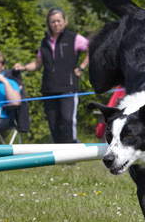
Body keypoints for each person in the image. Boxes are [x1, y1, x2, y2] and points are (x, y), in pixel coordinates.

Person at [15, 8, 89, 144]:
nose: (56, 24)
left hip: (68, 88)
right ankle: (58, 156)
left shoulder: (74, 38)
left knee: (67, 120)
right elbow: (38, 63)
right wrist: (24, 67)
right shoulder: (44, 41)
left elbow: (93, 49)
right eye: (53, 21)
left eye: (58, 21)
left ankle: (71, 155)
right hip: (49, 88)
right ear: (49, 23)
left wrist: (81, 68)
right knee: (53, 123)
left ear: (64, 21)